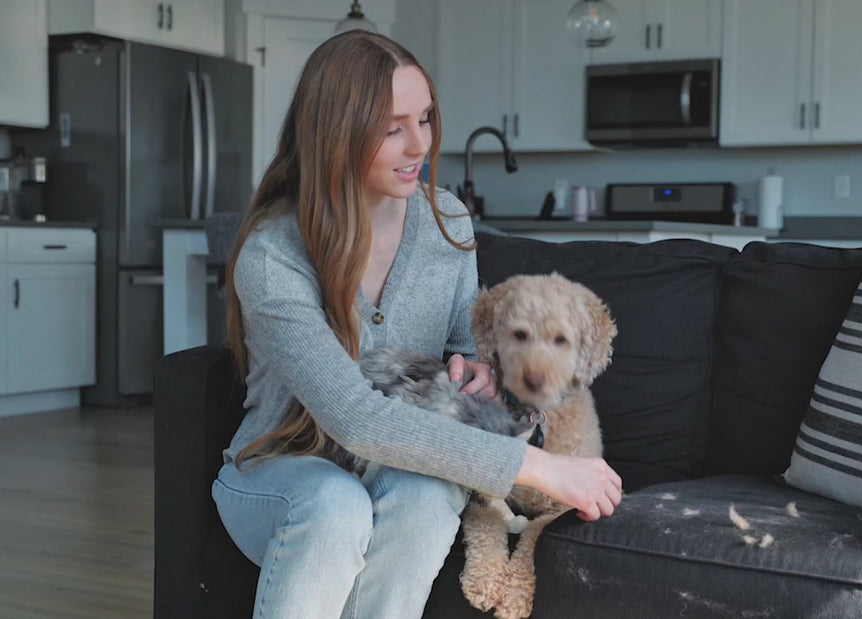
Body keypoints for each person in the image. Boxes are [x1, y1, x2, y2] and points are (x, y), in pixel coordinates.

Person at [211, 30, 622, 619]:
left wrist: (473, 369)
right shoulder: (274, 256)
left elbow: (461, 345)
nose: (420, 144)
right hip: (282, 469)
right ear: (337, 134)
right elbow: (355, 418)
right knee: (335, 504)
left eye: (425, 118)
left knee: (429, 496)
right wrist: (542, 469)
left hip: (399, 462)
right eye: (392, 128)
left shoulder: (445, 220)